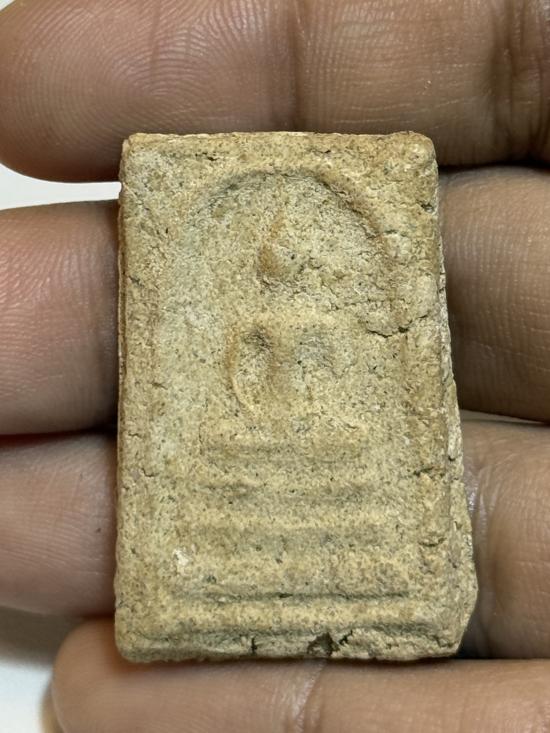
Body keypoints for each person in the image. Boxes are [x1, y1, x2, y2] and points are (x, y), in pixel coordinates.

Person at [0, 0, 549, 730]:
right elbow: (240, 376)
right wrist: (258, 413)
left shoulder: (322, 315)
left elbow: (336, 382)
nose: (281, 264)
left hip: (323, 436)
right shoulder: (255, 318)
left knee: (346, 454)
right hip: (258, 434)